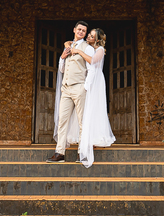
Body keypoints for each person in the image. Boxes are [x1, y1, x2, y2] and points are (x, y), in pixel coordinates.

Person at [48, 21, 92, 163]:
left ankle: (82, 153)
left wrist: (85, 87)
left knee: (82, 122)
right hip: (66, 89)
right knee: (62, 121)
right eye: (79, 29)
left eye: (83, 31)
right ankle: (60, 152)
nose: (81, 32)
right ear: (74, 30)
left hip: (79, 87)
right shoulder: (68, 46)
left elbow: (91, 69)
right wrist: (62, 57)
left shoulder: (87, 48)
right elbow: (62, 69)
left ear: (85, 33)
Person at [76, 28, 115, 168]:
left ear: (97, 40)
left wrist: (79, 52)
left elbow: (93, 61)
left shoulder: (100, 50)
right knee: (87, 108)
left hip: (97, 81)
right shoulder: (89, 48)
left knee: (95, 107)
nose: (88, 36)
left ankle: (96, 137)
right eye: (89, 34)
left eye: (91, 36)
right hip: (88, 78)